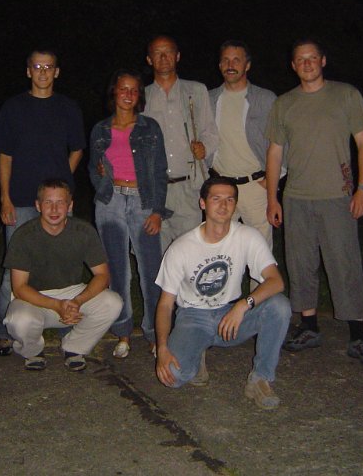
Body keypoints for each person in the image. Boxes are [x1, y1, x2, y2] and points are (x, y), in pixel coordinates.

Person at [265, 38, 363, 365]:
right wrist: (272, 198)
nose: (307, 63)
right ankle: (309, 326)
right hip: (297, 198)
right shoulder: (284, 104)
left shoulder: (346, 95)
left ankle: (357, 334)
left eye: (312, 58)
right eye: (300, 59)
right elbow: (274, 154)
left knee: (344, 263)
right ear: (293, 65)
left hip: (337, 197)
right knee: (300, 264)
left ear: (323, 61)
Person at [154, 177, 291, 410]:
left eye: (229, 199)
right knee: (173, 377)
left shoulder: (247, 236)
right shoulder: (181, 247)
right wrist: (162, 348)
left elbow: (276, 281)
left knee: (279, 306)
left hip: (230, 315)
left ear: (235, 205)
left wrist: (243, 305)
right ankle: (196, 352)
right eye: (216, 199)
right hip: (193, 317)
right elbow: (166, 305)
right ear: (203, 203)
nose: (223, 205)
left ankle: (260, 378)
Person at [0, 47, 85, 356]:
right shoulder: (13, 108)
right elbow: (5, 156)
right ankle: (4, 331)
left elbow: (77, 148)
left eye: (48, 67)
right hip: (20, 199)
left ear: (56, 72)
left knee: (63, 264)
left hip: (58, 203)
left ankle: (65, 322)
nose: (43, 72)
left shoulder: (68, 107)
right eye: (37, 67)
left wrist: (61, 180)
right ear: (28, 70)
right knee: (16, 269)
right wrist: (5, 198)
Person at [89, 70, 170, 359]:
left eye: (134, 90)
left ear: (139, 96)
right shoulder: (100, 129)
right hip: (110, 201)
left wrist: (157, 211)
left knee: (151, 270)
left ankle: (154, 333)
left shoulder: (150, 128)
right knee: (116, 270)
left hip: (142, 202)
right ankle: (123, 332)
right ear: (114, 92)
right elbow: (93, 169)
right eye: (123, 89)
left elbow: (160, 172)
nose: (128, 94)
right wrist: (101, 178)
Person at [2, 179, 123, 371]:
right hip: (35, 297)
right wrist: (57, 306)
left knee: (113, 302)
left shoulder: (83, 231)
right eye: (48, 202)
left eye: (60, 202)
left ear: (70, 205)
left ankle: (74, 348)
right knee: (19, 320)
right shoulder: (23, 236)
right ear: (38, 206)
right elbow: (19, 288)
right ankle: (32, 351)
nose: (54, 209)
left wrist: (78, 301)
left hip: (72, 293)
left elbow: (102, 275)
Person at [143, 35, 219, 250]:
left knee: (190, 251)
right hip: (153, 189)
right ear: (149, 59)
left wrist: (204, 147)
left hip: (188, 187)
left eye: (168, 52)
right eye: (157, 53)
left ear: (177, 56)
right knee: (155, 253)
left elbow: (211, 132)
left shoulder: (196, 91)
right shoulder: (142, 95)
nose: (163, 57)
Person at [208, 40, 277, 251]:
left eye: (236, 60)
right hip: (221, 186)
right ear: (219, 65)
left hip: (255, 186)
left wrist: (272, 178)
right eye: (226, 60)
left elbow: (282, 141)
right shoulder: (209, 99)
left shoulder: (265, 99)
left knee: (260, 252)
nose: (231, 65)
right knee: (221, 250)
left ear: (247, 65)